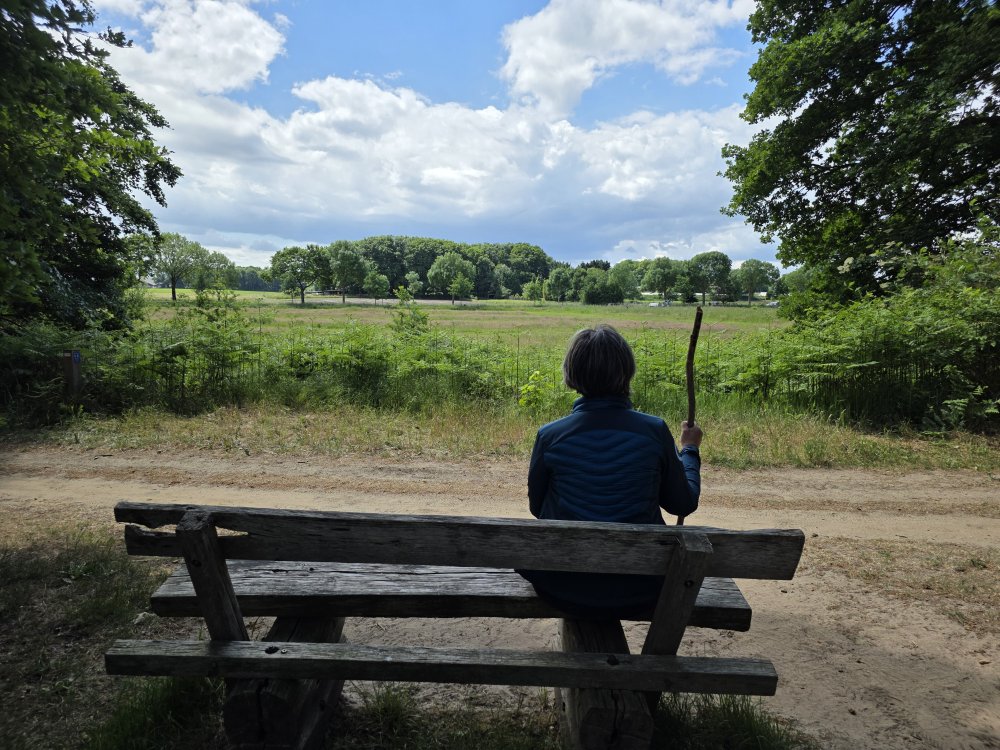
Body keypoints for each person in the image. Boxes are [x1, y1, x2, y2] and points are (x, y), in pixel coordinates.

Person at [518, 323, 703, 617]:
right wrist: (689, 450)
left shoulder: (550, 435)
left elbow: (538, 509)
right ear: (626, 370)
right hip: (640, 586)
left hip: (562, 586)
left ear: (571, 373)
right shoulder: (654, 430)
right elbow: (683, 503)